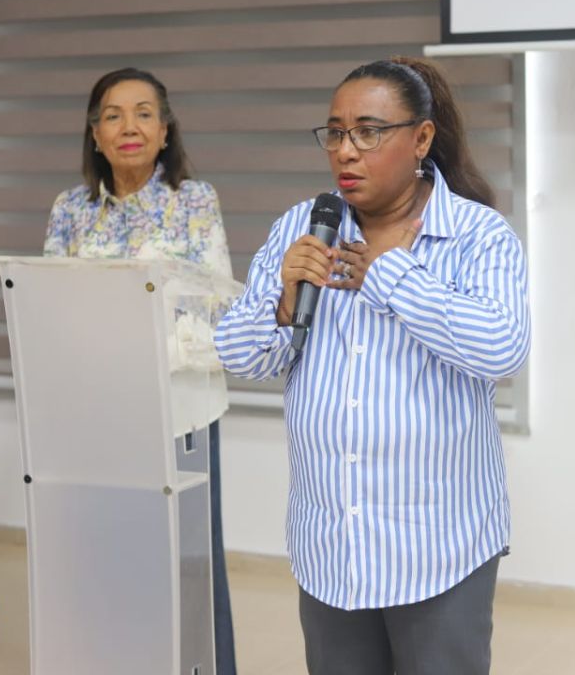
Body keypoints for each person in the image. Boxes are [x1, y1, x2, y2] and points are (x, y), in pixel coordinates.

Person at [215, 57, 531, 675]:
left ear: (422, 138)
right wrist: (284, 302)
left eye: (368, 132)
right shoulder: (303, 227)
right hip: (332, 543)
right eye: (335, 133)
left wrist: (390, 275)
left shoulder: (477, 236)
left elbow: (502, 348)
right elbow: (238, 354)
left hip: (439, 546)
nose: (346, 151)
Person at [43, 66, 237, 674]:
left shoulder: (194, 201)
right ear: (94, 133)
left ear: (165, 130)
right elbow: (52, 310)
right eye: (113, 115)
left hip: (180, 410)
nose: (129, 126)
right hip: (97, 416)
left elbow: (215, 308)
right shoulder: (71, 209)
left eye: (144, 113)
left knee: (188, 562)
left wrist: (124, 343)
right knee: (105, 560)